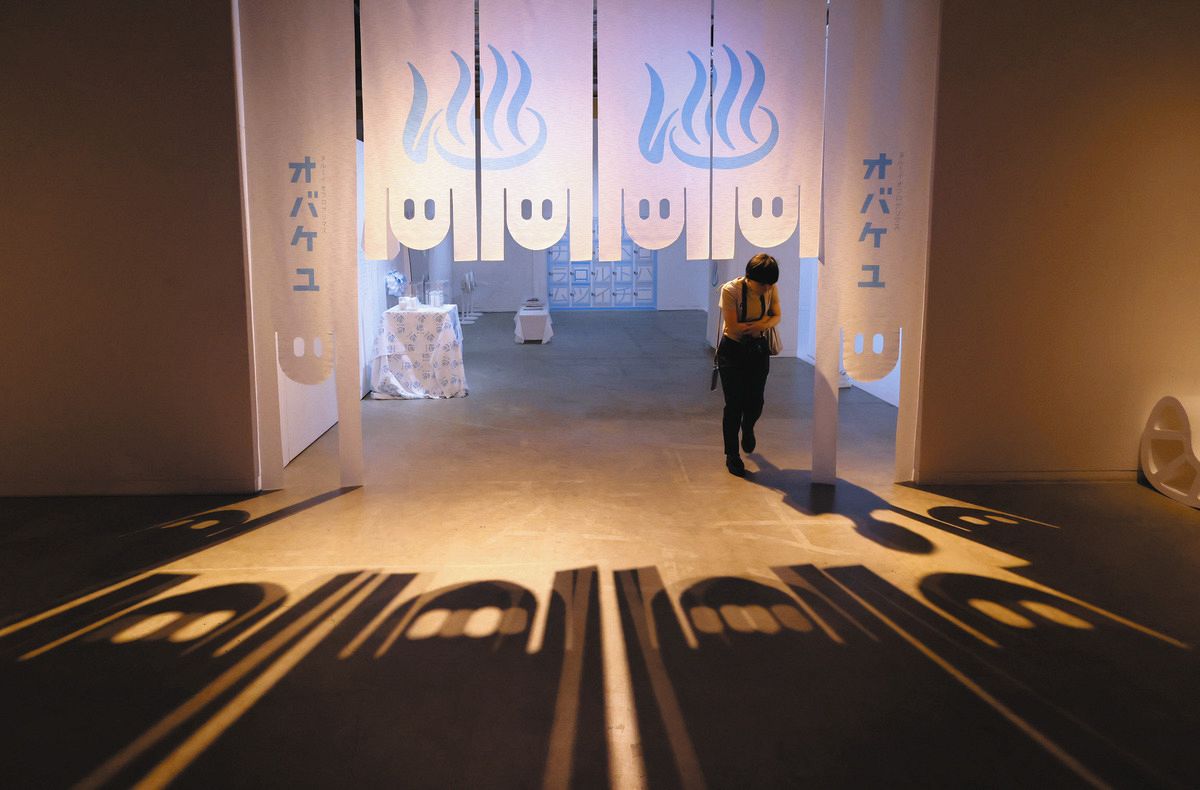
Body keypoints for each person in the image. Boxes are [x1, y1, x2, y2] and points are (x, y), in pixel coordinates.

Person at [717, 253, 781, 476]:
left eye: (770, 284)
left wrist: (759, 326)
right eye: (762, 284)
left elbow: (777, 316)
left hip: (758, 350)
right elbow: (732, 325)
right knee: (733, 404)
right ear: (749, 277)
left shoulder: (770, 288)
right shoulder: (730, 290)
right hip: (732, 351)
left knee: (756, 401)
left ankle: (748, 426)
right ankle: (732, 455)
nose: (767, 288)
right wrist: (763, 323)